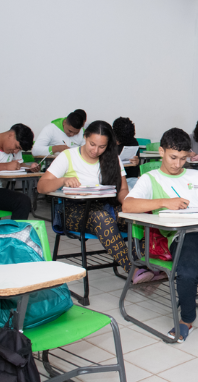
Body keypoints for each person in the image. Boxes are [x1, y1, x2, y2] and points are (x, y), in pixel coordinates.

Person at [122, 128, 198, 341]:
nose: (177, 164)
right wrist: (164, 202)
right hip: (182, 237)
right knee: (188, 273)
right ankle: (186, 319)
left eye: (183, 158)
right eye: (173, 157)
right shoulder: (150, 179)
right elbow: (128, 205)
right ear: (161, 152)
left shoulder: (196, 176)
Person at [37, 121, 162, 284]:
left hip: (105, 206)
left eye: (102, 147)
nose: (95, 151)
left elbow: (122, 190)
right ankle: (133, 270)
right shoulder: (68, 156)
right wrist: (63, 180)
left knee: (141, 218)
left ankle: (142, 264)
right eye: (92, 144)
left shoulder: (112, 158)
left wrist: (129, 205)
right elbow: (41, 186)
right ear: (85, 137)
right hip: (73, 212)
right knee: (102, 218)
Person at [113, 117, 140, 190]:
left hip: (130, 177)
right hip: (115, 179)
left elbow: (135, 169)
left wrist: (137, 161)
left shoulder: (133, 142)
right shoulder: (108, 143)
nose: (118, 142)